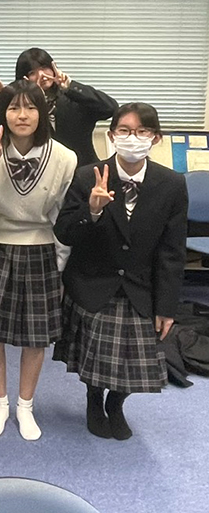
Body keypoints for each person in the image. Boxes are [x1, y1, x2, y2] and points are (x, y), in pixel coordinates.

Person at [53, 102, 187, 441]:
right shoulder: (88, 176)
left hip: (140, 287)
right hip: (94, 282)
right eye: (125, 130)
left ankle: (116, 403)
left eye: (142, 131)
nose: (133, 138)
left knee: (136, 362)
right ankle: (94, 399)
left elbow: (172, 250)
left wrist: (167, 306)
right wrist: (92, 211)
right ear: (112, 136)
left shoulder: (171, 184)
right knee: (94, 357)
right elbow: (64, 232)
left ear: (156, 138)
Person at [0, 80, 77, 440]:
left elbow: (62, 218)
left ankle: (25, 406)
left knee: (36, 337)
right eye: (14, 107)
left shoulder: (64, 157)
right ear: (3, 113)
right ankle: (0, 403)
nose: (22, 115)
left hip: (40, 247)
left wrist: (60, 266)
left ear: (42, 112)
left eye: (31, 107)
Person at [15, 48, 118, 166]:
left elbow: (111, 108)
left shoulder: (74, 98)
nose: (41, 75)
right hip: (44, 172)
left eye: (44, 68)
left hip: (83, 169)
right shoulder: (22, 111)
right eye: (32, 73)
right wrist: (35, 99)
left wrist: (70, 86)